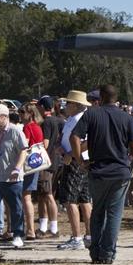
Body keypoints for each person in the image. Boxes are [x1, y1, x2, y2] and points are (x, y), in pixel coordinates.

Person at [70, 85, 133, 265]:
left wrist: (79, 159)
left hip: (97, 171)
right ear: (115, 97)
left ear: (101, 97)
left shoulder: (91, 114)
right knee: (114, 214)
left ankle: (96, 252)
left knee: (98, 213)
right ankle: (108, 253)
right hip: (119, 172)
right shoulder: (126, 117)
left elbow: (74, 137)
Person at [0, 104, 28, 249]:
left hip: (12, 177)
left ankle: (17, 234)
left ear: (5, 117)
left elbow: (23, 151)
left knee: (15, 207)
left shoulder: (16, 131)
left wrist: (17, 168)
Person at [56, 91, 93, 250]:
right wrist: (60, 147)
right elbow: (64, 137)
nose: (66, 106)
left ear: (77, 105)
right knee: (84, 199)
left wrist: (71, 155)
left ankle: (77, 237)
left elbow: (88, 141)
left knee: (71, 199)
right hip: (72, 160)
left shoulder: (83, 119)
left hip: (77, 162)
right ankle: (89, 235)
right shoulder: (71, 119)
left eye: (69, 103)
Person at [35, 96, 63, 239]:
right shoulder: (59, 120)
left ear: (42, 107)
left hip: (47, 162)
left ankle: (53, 228)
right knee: (42, 194)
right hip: (57, 160)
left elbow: (45, 144)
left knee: (47, 194)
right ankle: (43, 226)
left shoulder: (46, 122)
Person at [18, 103, 44, 239]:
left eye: (22, 112)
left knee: (25, 197)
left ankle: (30, 229)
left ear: (30, 114)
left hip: (27, 165)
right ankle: (30, 229)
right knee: (27, 196)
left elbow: (24, 145)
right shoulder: (38, 127)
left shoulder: (27, 127)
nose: (20, 115)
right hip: (35, 165)